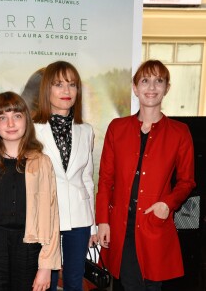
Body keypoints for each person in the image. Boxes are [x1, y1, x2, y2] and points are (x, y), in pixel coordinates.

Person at [96, 59, 196, 291]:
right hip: (122, 229)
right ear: (135, 87)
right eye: (145, 81)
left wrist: (167, 204)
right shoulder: (117, 128)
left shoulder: (180, 133)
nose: (151, 87)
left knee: (152, 287)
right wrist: (102, 221)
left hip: (155, 226)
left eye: (158, 81)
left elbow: (187, 180)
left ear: (167, 88)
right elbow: (105, 180)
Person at [0, 91, 61, 291]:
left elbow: (52, 217)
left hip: (28, 246)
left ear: (26, 120)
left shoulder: (42, 163)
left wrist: (45, 266)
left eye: (16, 116)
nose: (10, 124)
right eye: (3, 118)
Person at [33, 61, 97, 291]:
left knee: (74, 279)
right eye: (58, 84)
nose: (66, 91)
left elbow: (88, 178)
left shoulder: (86, 130)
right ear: (46, 89)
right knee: (46, 280)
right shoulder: (32, 129)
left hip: (80, 216)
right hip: (46, 216)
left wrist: (93, 225)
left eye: (72, 84)